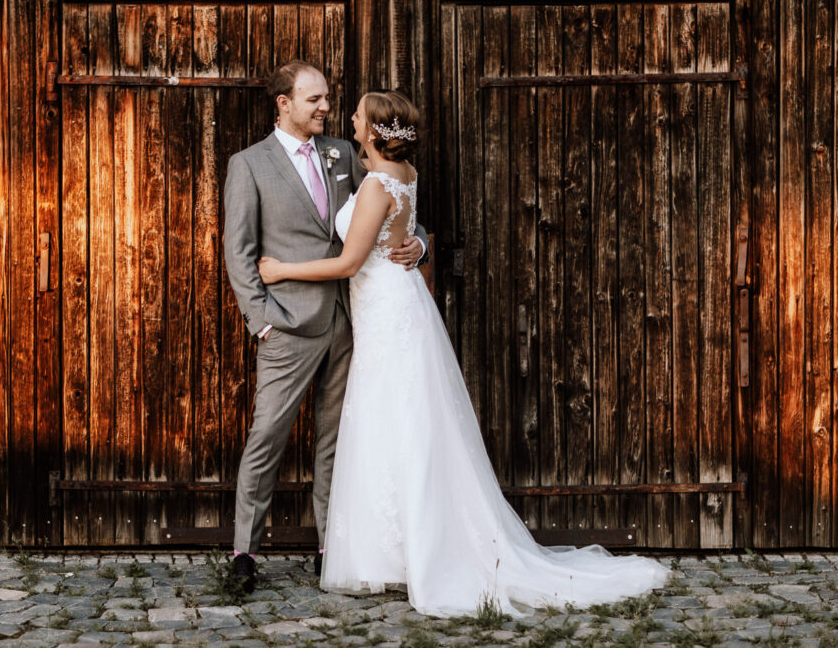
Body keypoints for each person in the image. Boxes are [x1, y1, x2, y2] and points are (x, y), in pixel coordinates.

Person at [257, 90, 670, 617]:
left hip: (387, 314)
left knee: (398, 424)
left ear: (375, 129)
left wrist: (280, 270)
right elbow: (399, 235)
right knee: (404, 425)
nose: (350, 119)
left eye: (358, 114)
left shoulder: (377, 186)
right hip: (396, 308)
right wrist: (418, 246)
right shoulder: (402, 176)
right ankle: (398, 553)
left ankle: (410, 556)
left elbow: (348, 263)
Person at [222, 61, 430, 593]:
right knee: (266, 437)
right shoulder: (249, 165)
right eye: (313, 99)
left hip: (349, 321)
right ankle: (245, 550)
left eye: (328, 99)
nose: (326, 108)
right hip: (288, 327)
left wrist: (420, 243)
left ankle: (330, 548)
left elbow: (393, 205)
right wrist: (260, 322)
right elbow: (239, 252)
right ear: (283, 103)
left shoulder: (345, 153)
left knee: (337, 442)